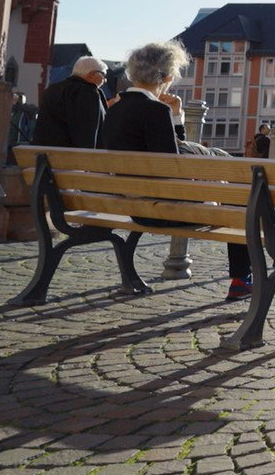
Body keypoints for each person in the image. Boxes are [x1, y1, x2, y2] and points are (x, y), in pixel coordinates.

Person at [100, 41, 250, 301]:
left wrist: (177, 118)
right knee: (240, 205)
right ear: (168, 77)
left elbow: (168, 155)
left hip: (134, 208)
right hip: (162, 211)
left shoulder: (114, 110)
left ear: (133, 73)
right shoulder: (155, 110)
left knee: (232, 193)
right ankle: (241, 278)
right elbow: (175, 169)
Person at [31, 55, 108, 149]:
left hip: (44, 155)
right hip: (71, 157)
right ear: (92, 74)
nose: (105, 80)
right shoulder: (88, 92)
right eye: (103, 75)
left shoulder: (52, 89)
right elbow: (86, 132)